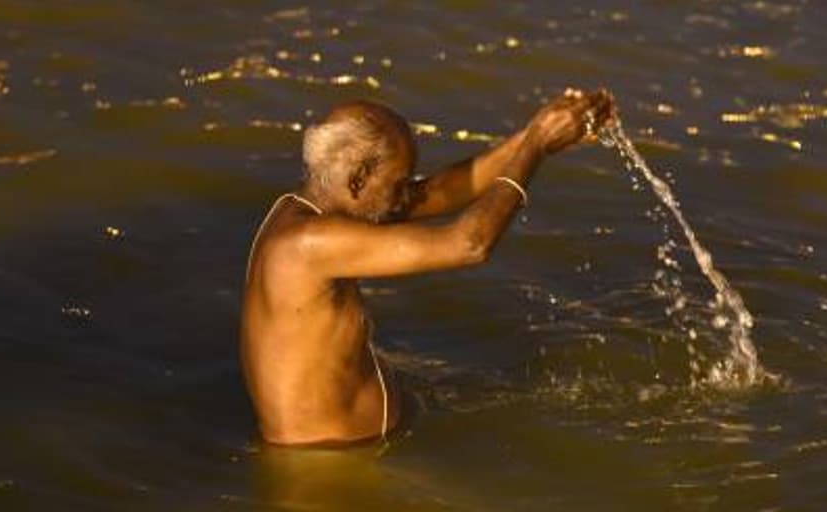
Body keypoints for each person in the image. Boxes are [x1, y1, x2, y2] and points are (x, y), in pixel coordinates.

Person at [240, 88, 616, 447]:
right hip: (332, 472)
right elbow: (470, 244)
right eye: (400, 183)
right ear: (358, 179)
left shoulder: (305, 210)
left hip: (351, 454)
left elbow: (443, 190)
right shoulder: (309, 243)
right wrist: (533, 148)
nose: (409, 195)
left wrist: (539, 132)